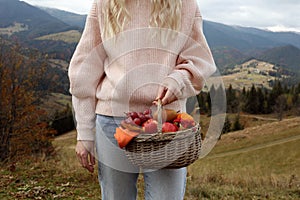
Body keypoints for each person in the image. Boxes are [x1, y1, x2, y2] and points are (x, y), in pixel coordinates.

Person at [68, 0, 216, 199]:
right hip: (113, 121)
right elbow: (84, 70)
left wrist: (178, 80)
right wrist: (84, 132)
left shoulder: (185, 4)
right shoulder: (105, 4)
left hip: (167, 123)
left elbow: (200, 60)